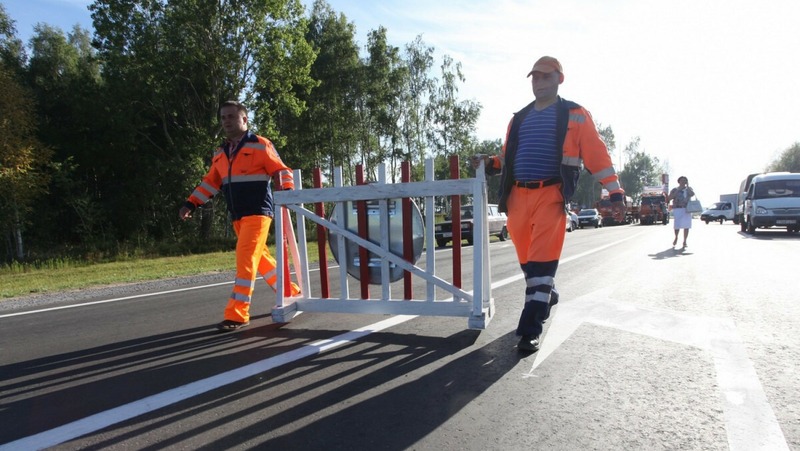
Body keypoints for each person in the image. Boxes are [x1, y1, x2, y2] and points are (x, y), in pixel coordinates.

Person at [471, 56, 625, 353]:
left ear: (559, 79)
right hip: (517, 197)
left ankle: (530, 329)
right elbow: (508, 158)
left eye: (545, 76)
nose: (539, 82)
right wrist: (490, 162)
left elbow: (596, 155)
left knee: (541, 265)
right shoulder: (518, 118)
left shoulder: (575, 114)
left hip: (551, 196)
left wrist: (615, 191)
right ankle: (547, 293)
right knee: (529, 263)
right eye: (535, 77)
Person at [179, 100, 299, 332]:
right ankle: (290, 291)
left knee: (245, 261)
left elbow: (282, 170)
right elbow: (210, 183)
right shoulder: (221, 153)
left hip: (258, 213)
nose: (226, 121)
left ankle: (237, 313)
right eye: (223, 117)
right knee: (261, 260)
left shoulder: (260, 145)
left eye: (231, 116)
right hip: (237, 216)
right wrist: (190, 203)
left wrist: (287, 194)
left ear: (244, 119)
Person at [667, 176, 695, 248]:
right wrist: (677, 191)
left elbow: (692, 194)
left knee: (686, 226)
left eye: (685, 181)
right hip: (677, 209)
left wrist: (688, 187)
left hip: (687, 209)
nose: (683, 182)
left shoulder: (688, 189)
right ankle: (676, 237)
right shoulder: (675, 189)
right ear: (679, 181)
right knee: (677, 225)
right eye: (682, 180)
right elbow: (669, 198)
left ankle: (685, 241)